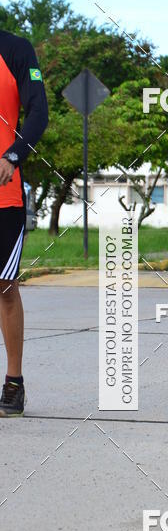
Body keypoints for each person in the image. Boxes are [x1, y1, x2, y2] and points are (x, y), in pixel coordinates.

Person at [0, 30, 48, 416]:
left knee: (3, 288)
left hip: (4, 194)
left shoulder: (15, 50)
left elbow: (39, 112)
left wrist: (13, 155)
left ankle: (14, 383)